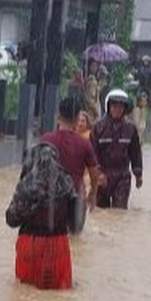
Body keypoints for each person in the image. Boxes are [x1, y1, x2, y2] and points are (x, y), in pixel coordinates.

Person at [5, 142, 78, 290]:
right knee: (60, 293)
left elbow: (11, 220)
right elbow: (76, 223)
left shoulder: (28, 184)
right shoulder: (67, 183)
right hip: (58, 245)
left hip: (30, 245)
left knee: (25, 295)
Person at [42, 96, 99, 228]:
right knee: (76, 241)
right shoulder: (84, 144)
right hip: (76, 199)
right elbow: (94, 174)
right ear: (76, 117)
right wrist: (93, 193)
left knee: (52, 238)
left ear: (59, 116)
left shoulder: (46, 140)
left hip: (50, 198)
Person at [91, 88, 143, 210]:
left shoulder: (130, 128)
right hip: (103, 174)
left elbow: (135, 153)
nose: (117, 110)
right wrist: (98, 174)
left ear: (125, 109)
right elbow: (93, 153)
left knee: (119, 212)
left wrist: (138, 175)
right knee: (101, 213)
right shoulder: (98, 127)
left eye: (121, 107)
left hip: (122, 176)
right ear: (108, 106)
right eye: (114, 106)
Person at [84, 58, 101, 122]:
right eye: (93, 66)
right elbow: (90, 99)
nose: (95, 68)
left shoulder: (93, 79)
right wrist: (96, 111)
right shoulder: (92, 80)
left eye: (96, 66)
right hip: (92, 113)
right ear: (89, 67)